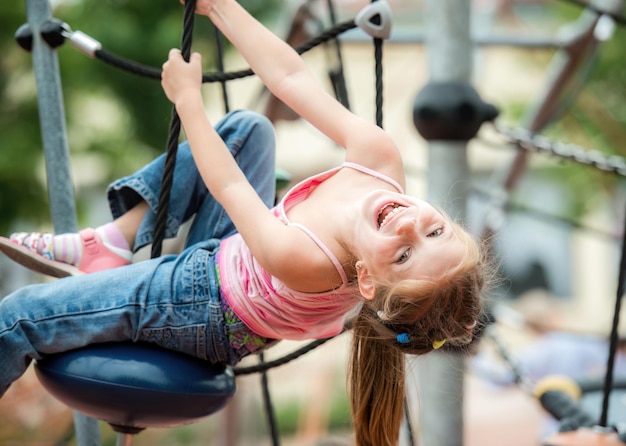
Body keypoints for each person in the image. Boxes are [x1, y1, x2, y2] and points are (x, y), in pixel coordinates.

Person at [0, 0, 488, 444]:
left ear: (364, 279)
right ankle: (112, 242)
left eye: (404, 256)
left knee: (15, 318)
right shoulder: (380, 162)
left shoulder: (308, 262)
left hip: (206, 308)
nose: (410, 229)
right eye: (435, 230)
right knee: (248, 129)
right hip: (231, 258)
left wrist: (188, 100)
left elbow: (230, 187)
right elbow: (291, 78)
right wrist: (223, 8)